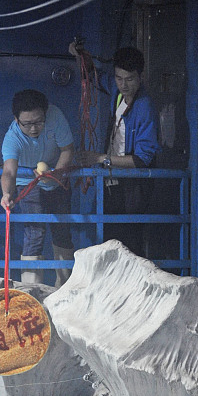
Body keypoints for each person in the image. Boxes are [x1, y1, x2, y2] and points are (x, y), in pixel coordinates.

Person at [78, 46, 161, 256]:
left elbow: (142, 159)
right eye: (119, 78)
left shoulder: (145, 107)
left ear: (141, 77)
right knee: (110, 239)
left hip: (132, 186)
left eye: (130, 79)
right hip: (112, 181)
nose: (124, 84)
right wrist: (79, 55)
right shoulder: (118, 92)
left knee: (129, 243)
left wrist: (101, 158)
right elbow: (95, 77)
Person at [1, 89, 75, 287]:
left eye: (39, 122)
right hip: (28, 183)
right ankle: (30, 289)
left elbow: (67, 149)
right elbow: (9, 171)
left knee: (62, 230)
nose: (34, 128)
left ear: (46, 113)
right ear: (16, 120)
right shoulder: (12, 138)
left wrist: (56, 174)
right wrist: (6, 194)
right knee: (35, 232)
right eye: (27, 124)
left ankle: (65, 286)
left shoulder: (55, 116)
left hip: (58, 176)